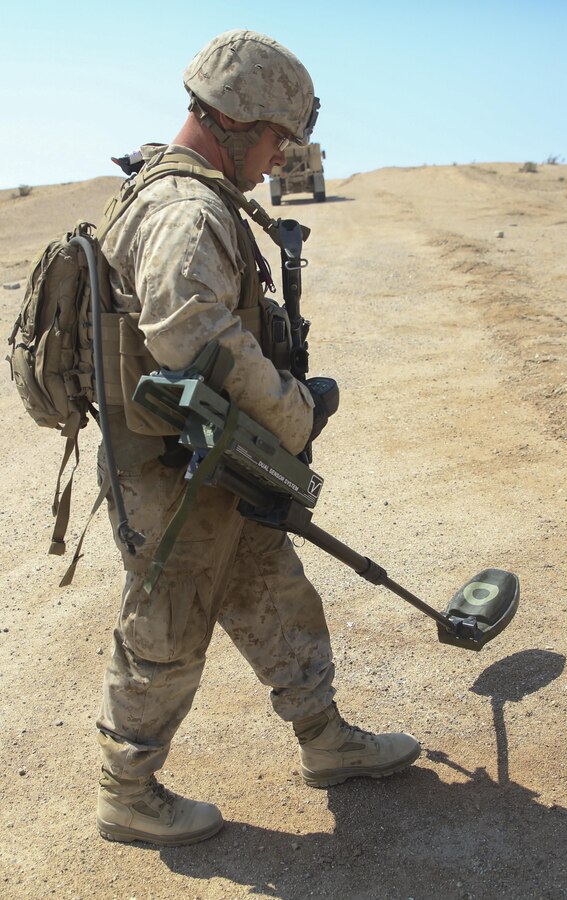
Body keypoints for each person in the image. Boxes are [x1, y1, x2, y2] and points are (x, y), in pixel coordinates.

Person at [95, 29, 420, 847]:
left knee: (273, 589)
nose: (281, 158)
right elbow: (189, 333)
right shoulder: (183, 208)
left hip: (214, 460)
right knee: (165, 629)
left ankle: (326, 740)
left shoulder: (182, 192)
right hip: (171, 473)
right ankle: (127, 792)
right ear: (238, 120)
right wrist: (294, 408)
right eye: (278, 138)